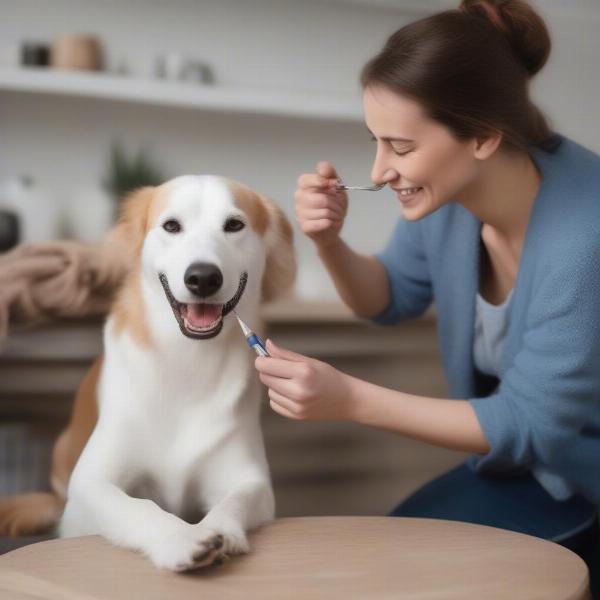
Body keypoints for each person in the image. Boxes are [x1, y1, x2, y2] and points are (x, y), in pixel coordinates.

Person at [253, 0, 600, 593]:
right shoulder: (448, 199)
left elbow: (530, 423)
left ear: (484, 136)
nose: (381, 169)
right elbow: (387, 298)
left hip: (584, 481)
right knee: (391, 549)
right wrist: (328, 241)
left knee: (408, 575)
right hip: (517, 471)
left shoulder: (584, 234)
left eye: (401, 147)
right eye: (376, 142)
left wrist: (349, 399)